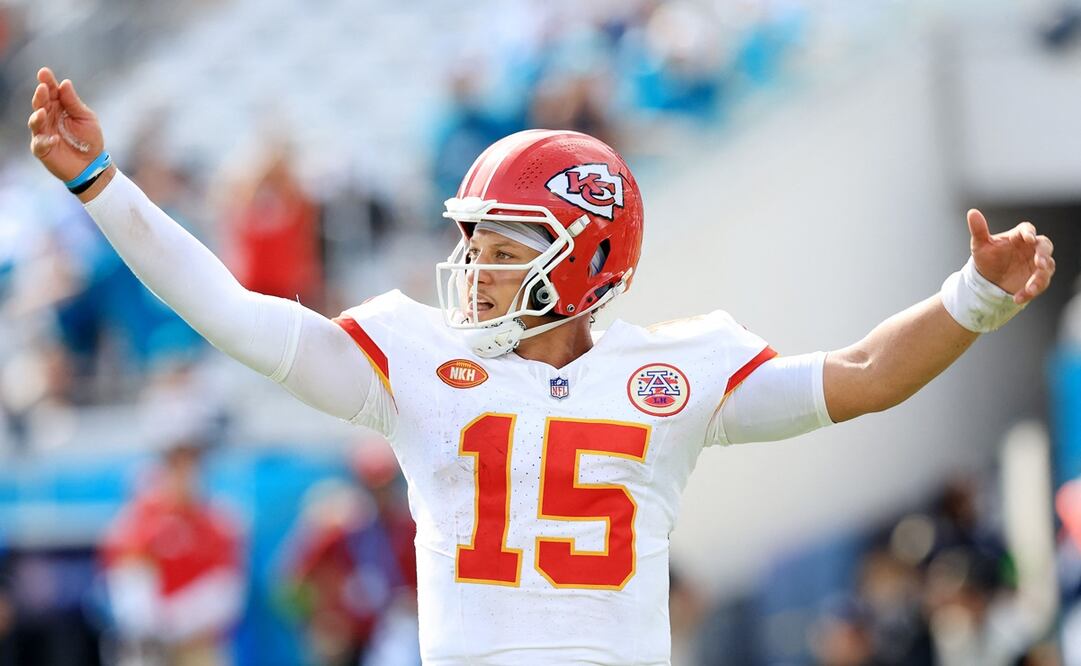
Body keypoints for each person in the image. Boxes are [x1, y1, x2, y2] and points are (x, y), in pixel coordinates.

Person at [27, 67, 1055, 665]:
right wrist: (102, 186)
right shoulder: (416, 360)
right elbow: (233, 314)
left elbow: (865, 372)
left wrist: (975, 297)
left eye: (505, 245)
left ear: (591, 259)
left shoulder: (679, 374)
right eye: (472, 242)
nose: (473, 268)